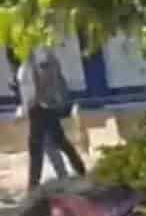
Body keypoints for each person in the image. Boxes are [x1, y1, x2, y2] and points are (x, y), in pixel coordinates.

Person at [19, 47, 86, 191]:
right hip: (44, 108)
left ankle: (33, 186)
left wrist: (31, 103)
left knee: (38, 147)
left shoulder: (34, 65)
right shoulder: (36, 64)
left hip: (40, 108)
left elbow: (36, 87)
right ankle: (79, 170)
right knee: (58, 142)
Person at [6, 49, 68, 181]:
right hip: (39, 109)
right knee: (47, 146)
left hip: (38, 110)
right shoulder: (23, 72)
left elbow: (29, 94)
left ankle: (43, 181)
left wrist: (23, 111)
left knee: (43, 147)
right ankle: (61, 176)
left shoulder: (25, 72)